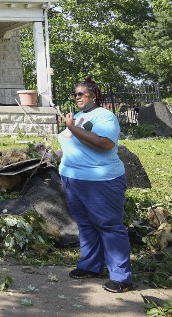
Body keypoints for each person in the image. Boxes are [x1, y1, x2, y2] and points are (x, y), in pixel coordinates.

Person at [58, 76, 133, 293]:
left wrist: (71, 127)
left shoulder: (104, 116)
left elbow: (104, 144)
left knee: (109, 226)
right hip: (73, 179)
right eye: (75, 94)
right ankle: (91, 266)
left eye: (81, 93)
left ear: (94, 95)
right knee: (86, 225)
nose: (77, 97)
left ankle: (121, 277)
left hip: (101, 181)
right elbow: (75, 145)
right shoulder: (79, 117)